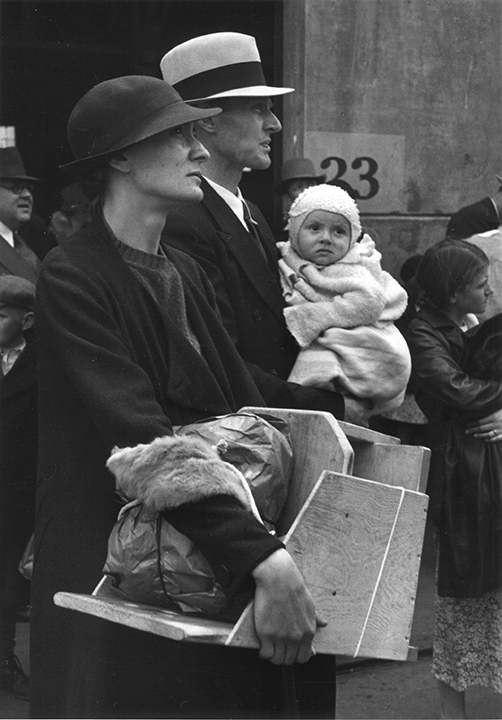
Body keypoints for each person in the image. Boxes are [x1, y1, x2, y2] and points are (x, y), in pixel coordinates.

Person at [30, 75, 331, 720]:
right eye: (177, 135)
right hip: (118, 576)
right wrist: (264, 559)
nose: (199, 150)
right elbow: (142, 439)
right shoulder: (72, 276)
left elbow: (244, 410)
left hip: (198, 563)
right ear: (118, 158)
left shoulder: (184, 271)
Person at [160, 32, 366, 429]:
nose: (274, 124)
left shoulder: (248, 211)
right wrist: (334, 407)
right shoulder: (182, 221)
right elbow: (220, 364)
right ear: (207, 120)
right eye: (258, 109)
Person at [406, 239, 502, 719]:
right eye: (480, 284)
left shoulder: (461, 325)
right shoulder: (424, 332)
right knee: (461, 601)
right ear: (453, 292)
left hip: (480, 471)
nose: (488, 291)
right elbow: (452, 389)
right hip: (461, 475)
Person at [277, 184, 411, 415]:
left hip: (370, 345)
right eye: (315, 228)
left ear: (352, 239)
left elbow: (369, 303)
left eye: (339, 231)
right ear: (295, 233)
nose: (326, 238)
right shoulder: (291, 261)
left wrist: (311, 317)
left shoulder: (353, 267)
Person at [0, 275, 37, 701]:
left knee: (7, 586)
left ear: (27, 320)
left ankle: (3, 660)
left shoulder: (42, 366)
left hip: (14, 493)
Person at [275, 158, 326, 235]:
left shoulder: (331, 224)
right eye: (298, 187)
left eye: (311, 185)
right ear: (288, 198)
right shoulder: (284, 238)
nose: (307, 191)